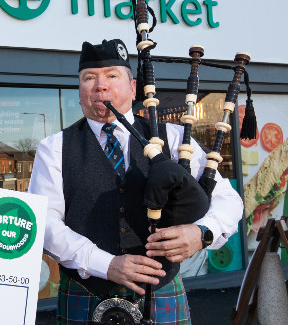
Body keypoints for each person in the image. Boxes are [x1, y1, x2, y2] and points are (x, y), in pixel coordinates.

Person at [28, 39, 243, 324]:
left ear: (132, 89)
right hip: (86, 292)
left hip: (161, 292)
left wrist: (202, 232)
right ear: (79, 93)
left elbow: (227, 200)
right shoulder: (54, 148)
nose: (100, 86)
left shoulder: (176, 139)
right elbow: (45, 223)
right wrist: (107, 265)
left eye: (112, 76)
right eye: (89, 78)